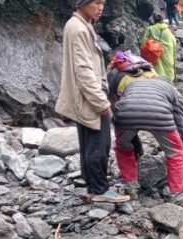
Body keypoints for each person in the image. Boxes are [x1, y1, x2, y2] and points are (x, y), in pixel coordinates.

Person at [56, 0, 129, 204]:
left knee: (89, 140)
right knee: (99, 143)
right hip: (88, 96)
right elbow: (83, 71)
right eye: (96, 2)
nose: (100, 7)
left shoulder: (80, 24)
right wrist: (101, 102)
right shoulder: (79, 28)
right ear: (83, 3)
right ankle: (99, 189)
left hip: (86, 95)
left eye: (102, 3)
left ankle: (91, 183)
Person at [107, 71, 183, 207]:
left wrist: (120, 131)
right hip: (158, 115)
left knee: (122, 147)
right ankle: (177, 196)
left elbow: (120, 104)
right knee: (176, 153)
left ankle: (131, 188)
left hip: (126, 114)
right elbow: (180, 117)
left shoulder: (133, 83)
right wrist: (179, 140)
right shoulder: (171, 90)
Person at [141, 14, 177, 81]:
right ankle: (169, 82)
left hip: (155, 51)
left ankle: (159, 81)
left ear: (154, 20)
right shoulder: (168, 29)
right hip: (167, 51)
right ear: (162, 20)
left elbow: (144, 41)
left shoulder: (150, 29)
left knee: (158, 67)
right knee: (168, 67)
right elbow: (173, 41)